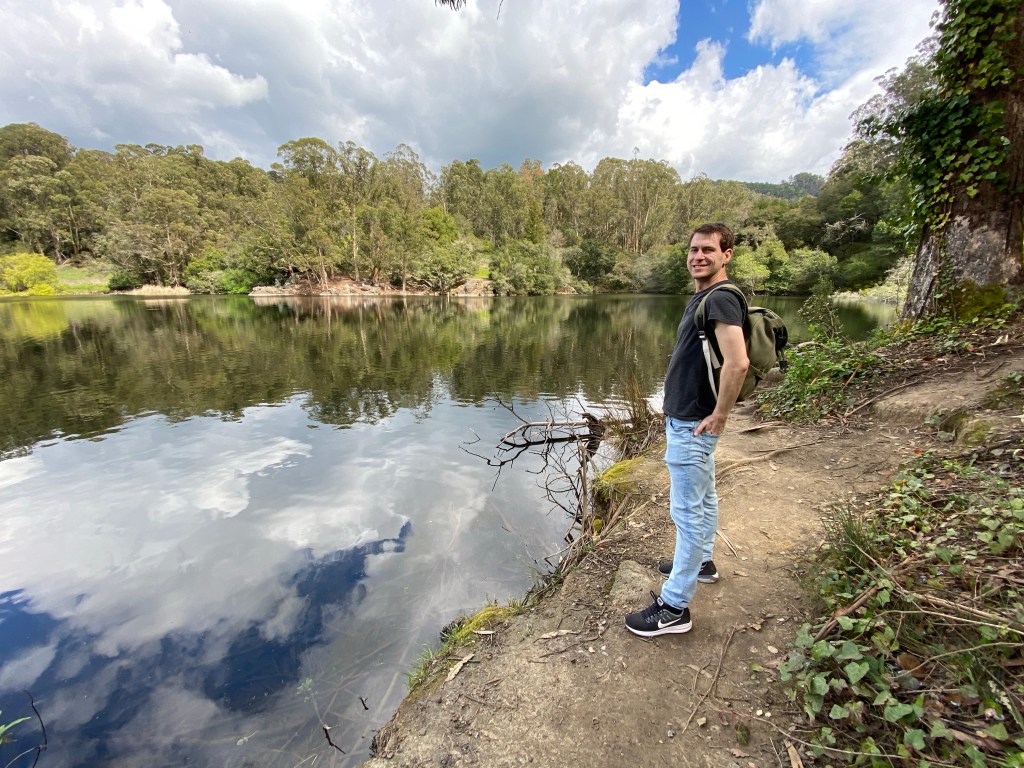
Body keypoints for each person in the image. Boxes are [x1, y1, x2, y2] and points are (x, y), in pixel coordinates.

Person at [624, 222, 749, 637]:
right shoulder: (705, 297)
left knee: (687, 515)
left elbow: (739, 363)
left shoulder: (722, 300)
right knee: (705, 498)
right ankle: (702, 564)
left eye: (708, 250)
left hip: (694, 424)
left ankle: (674, 607)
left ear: (726, 254)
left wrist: (720, 416)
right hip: (689, 419)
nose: (698, 256)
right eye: (693, 249)